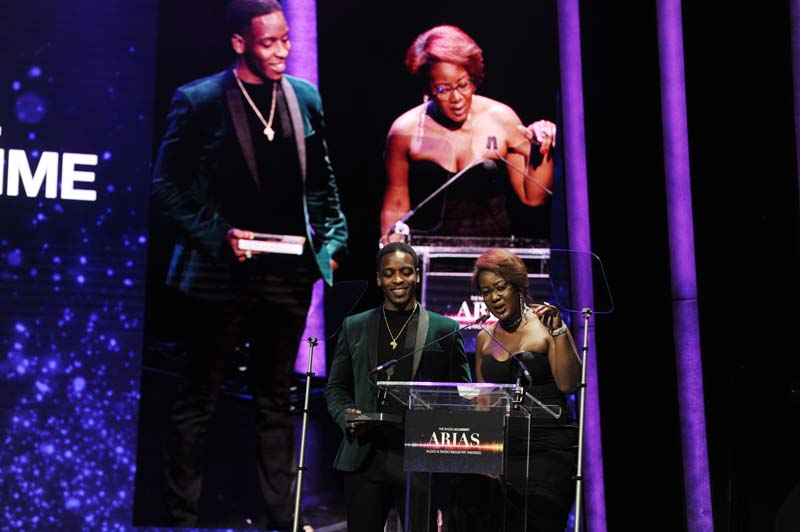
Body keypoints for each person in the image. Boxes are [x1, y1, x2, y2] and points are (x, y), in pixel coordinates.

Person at [149, 0, 347, 528]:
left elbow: (322, 181)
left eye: (285, 39)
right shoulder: (200, 100)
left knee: (276, 401)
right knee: (198, 399)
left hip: (288, 275)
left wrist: (331, 244)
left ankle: (283, 520)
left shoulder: (303, 97)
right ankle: (180, 520)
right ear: (240, 43)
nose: (282, 50)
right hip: (219, 275)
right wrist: (219, 235)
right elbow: (166, 188)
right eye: (269, 42)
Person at [325, 242, 472, 532]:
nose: (398, 280)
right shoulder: (354, 326)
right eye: (389, 273)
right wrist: (345, 414)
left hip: (418, 457)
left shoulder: (444, 329)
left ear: (417, 275)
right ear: (379, 279)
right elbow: (336, 388)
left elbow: (459, 394)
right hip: (365, 455)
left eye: (405, 272)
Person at [380, 25, 558, 242]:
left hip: (493, 255)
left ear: (474, 79)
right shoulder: (404, 131)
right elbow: (396, 206)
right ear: (428, 89)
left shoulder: (501, 119)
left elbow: (533, 198)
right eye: (443, 89)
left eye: (463, 84)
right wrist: (392, 253)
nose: (456, 98)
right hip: (427, 253)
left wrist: (542, 146)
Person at [449, 248, 581, 532]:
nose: (493, 297)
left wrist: (560, 332)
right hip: (507, 450)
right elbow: (484, 405)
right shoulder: (484, 338)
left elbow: (568, 384)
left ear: (518, 285)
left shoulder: (548, 326)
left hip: (549, 449)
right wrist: (484, 457)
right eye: (486, 291)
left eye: (500, 287)